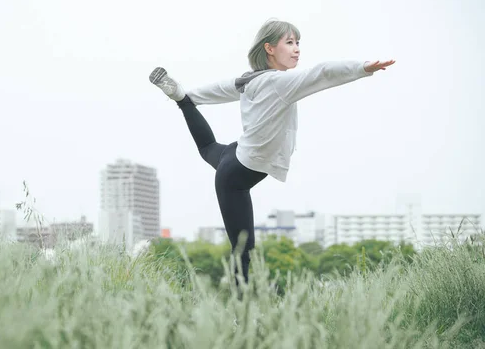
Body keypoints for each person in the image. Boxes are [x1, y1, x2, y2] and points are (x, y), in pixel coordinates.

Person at [148, 18, 395, 285]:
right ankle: (240, 317)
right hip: (236, 177)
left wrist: (189, 97)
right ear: (269, 48)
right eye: (289, 43)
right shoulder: (281, 83)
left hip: (235, 158)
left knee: (208, 148)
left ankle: (181, 100)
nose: (297, 49)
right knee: (243, 250)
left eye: (298, 43)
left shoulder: (249, 80)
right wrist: (362, 68)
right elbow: (323, 72)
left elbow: (219, 89)